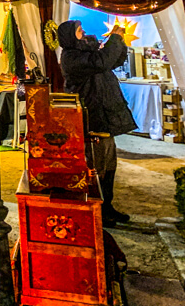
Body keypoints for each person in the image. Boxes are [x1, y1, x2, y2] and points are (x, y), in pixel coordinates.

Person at [59, 20, 136, 227]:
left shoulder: (87, 52)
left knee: (109, 164)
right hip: (92, 118)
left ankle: (107, 207)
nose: (83, 32)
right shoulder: (71, 57)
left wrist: (119, 42)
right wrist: (115, 39)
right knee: (97, 166)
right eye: (78, 30)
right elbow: (101, 62)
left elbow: (112, 61)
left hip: (104, 116)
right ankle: (98, 210)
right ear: (69, 36)